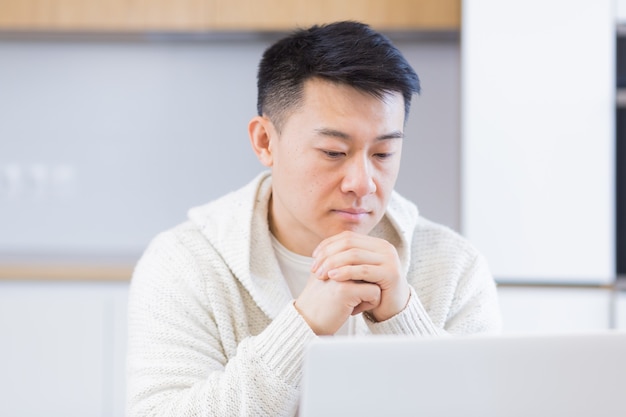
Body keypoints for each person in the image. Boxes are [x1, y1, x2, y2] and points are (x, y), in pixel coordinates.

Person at [126, 20, 502, 416]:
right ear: (265, 141)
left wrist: (403, 318)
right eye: (333, 152)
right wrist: (302, 327)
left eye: (383, 154)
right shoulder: (184, 263)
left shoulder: (455, 267)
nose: (362, 183)